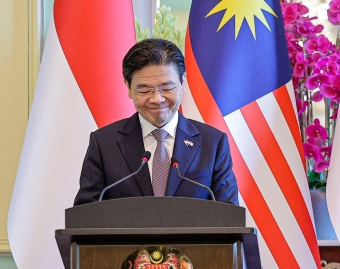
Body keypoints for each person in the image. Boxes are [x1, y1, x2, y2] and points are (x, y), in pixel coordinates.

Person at [73, 38, 238, 205]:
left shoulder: (213, 143)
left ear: (182, 83)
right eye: (144, 89)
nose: (157, 99)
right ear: (128, 88)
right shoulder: (104, 144)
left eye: (166, 88)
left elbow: (230, 218)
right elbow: (86, 218)